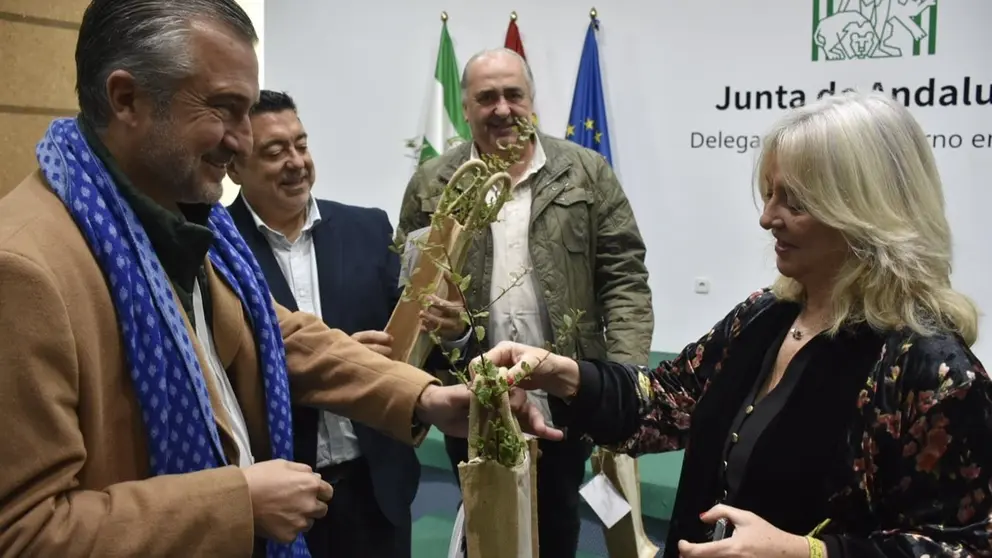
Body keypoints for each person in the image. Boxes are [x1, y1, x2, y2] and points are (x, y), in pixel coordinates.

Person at [0, 2, 557, 557]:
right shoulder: (24, 270)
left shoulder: (187, 223)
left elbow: (273, 334)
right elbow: (25, 532)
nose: (242, 142)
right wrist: (237, 503)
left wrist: (428, 397)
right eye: (224, 109)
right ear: (127, 100)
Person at [480, 92, 992, 558]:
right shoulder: (764, 316)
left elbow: (962, 548)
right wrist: (561, 373)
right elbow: (666, 401)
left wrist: (807, 553)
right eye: (769, 194)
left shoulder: (933, 371)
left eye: (795, 201)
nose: (767, 218)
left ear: (867, 210)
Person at [396, 47, 653, 558]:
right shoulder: (434, 184)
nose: (502, 108)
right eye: (486, 97)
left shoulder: (585, 172)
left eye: (514, 94)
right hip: (471, 393)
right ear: (465, 108)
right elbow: (412, 288)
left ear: (531, 101)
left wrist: (623, 378)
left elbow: (624, 276)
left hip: (565, 388)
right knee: (485, 523)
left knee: (557, 520)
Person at [227, 90, 465, 558]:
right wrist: (345, 359)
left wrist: (452, 329)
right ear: (234, 165)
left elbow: (421, 346)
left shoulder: (369, 229)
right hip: (281, 498)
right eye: (275, 152)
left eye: (301, 144)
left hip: (376, 490)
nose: (296, 162)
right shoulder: (216, 245)